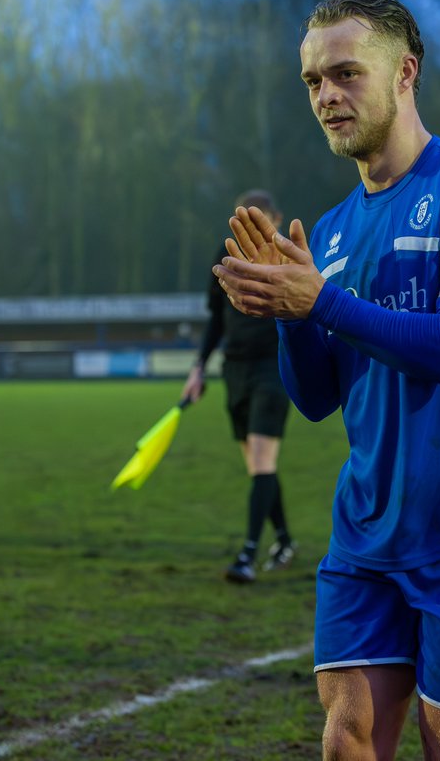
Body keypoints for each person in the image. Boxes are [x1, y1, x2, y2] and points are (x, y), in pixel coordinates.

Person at [212, 0, 440, 760]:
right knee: (347, 740)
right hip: (365, 530)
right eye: (313, 81)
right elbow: (320, 397)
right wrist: (293, 313)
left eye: (346, 73)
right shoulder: (327, 231)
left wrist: (322, 299)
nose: (327, 96)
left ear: (405, 73)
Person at [182, 189, 297, 585]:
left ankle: (247, 553)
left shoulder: (289, 254)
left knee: (263, 460)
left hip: (274, 368)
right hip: (235, 370)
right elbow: (216, 319)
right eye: (242, 220)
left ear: (276, 220)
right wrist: (198, 368)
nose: (251, 229)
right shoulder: (225, 253)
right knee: (258, 467)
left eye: (259, 221)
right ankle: (283, 539)